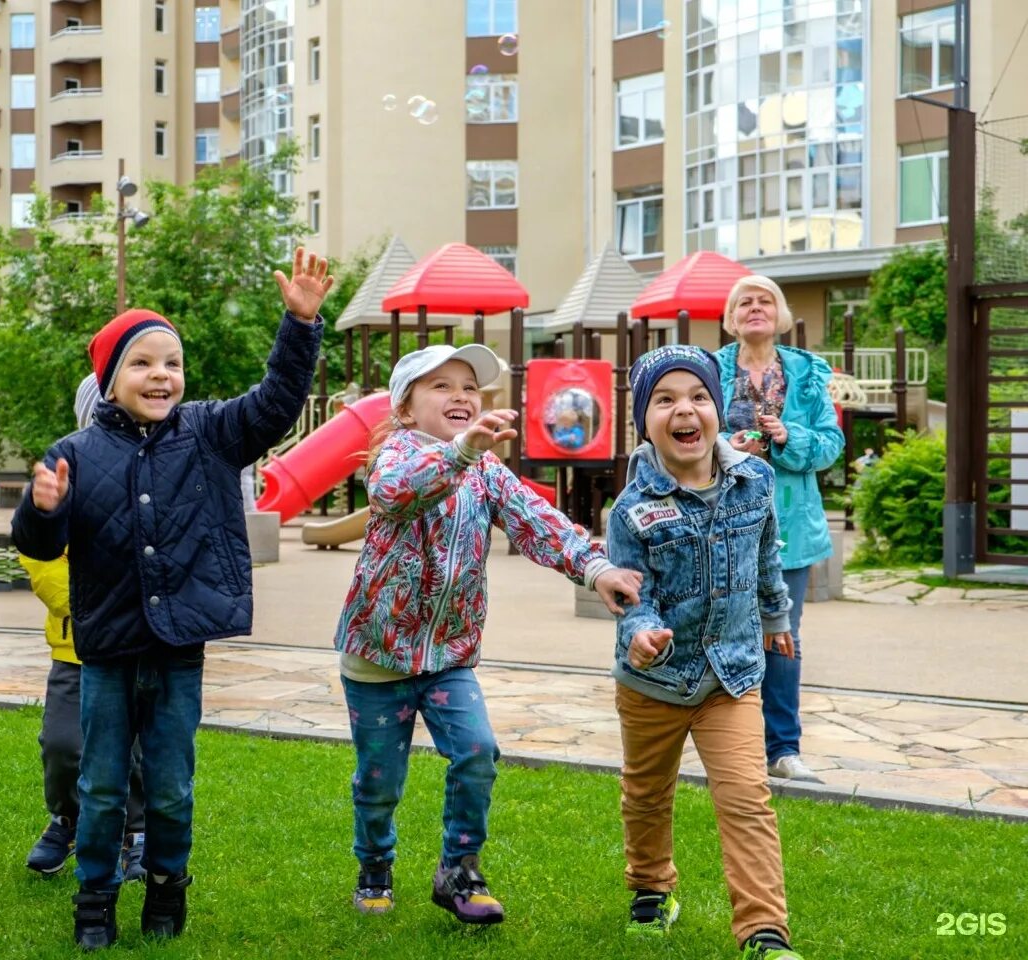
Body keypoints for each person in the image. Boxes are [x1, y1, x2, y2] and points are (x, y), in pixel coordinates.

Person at [12, 248, 332, 950]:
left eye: (171, 363)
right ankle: (94, 900)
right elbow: (37, 545)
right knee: (98, 788)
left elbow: (277, 399)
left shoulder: (214, 433)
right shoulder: (74, 450)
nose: (161, 375)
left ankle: (166, 887)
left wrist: (300, 324)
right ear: (108, 378)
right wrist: (41, 509)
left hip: (179, 650)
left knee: (170, 789)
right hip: (104, 652)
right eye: (142, 363)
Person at [334, 343, 643, 925]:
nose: (461, 397)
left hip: (449, 656)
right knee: (380, 780)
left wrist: (595, 566)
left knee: (477, 750)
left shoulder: (485, 470)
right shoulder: (395, 456)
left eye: (470, 388)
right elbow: (395, 494)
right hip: (378, 655)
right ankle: (375, 864)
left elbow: (537, 521)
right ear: (405, 408)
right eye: (442, 387)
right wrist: (458, 451)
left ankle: (459, 869)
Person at [607, 345, 803, 960]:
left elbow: (768, 553)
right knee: (646, 795)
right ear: (645, 420)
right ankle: (650, 888)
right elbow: (630, 595)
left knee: (746, 797)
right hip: (654, 681)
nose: (683, 410)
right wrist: (640, 633)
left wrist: (777, 618)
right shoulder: (631, 510)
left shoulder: (756, 480)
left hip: (733, 673)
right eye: (664, 400)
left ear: (716, 411)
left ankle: (764, 933)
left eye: (697, 397)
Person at [20, 372, 148, 881]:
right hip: (79, 650)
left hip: (140, 647)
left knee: (136, 751)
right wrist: (95, 599)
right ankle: (68, 817)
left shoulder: (150, 482)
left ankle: (133, 832)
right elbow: (42, 559)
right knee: (63, 744)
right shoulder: (63, 481)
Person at [716, 276, 844, 783]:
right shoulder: (709, 370)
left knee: (782, 636)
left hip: (790, 524)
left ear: (780, 314)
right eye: (743, 301)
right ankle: (730, 742)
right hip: (720, 520)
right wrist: (727, 446)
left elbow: (831, 445)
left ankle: (783, 749)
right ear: (730, 318)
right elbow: (684, 432)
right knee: (722, 631)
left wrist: (790, 436)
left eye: (764, 301)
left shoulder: (808, 375)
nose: (754, 308)